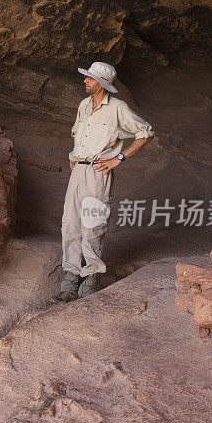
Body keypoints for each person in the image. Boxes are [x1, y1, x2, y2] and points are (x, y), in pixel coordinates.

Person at [49, 62, 155, 305]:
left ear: (102, 84)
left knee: (92, 226)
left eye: (89, 79)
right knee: (70, 224)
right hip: (78, 171)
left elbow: (146, 133)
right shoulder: (84, 106)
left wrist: (119, 158)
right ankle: (70, 281)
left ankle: (91, 280)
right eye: (86, 78)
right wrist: (73, 159)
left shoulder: (117, 108)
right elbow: (78, 137)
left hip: (98, 173)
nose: (85, 81)